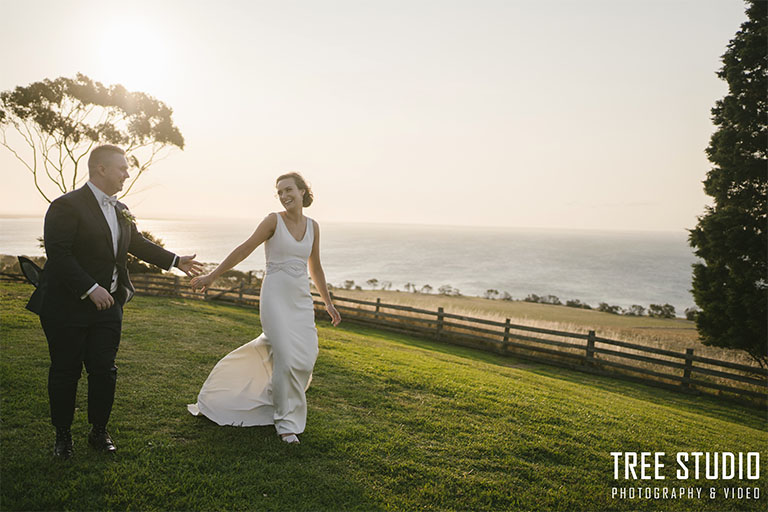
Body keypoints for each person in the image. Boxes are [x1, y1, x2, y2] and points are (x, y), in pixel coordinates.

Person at [26, 144, 203, 459]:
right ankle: (63, 437)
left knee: (104, 370)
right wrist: (90, 288)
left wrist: (176, 260)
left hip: (109, 308)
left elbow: (135, 242)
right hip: (66, 305)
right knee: (65, 371)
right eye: (122, 168)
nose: (127, 173)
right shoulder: (66, 205)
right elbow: (60, 254)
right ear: (101, 169)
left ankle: (98, 431)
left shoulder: (121, 208)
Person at [188, 172, 341, 444]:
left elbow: (315, 266)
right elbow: (244, 249)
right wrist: (212, 276)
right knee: (284, 355)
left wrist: (327, 302)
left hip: (300, 300)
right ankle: (285, 424)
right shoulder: (273, 221)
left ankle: (271, 398)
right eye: (279, 192)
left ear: (303, 191)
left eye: (288, 190)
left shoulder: (314, 226)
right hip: (274, 298)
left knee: (306, 356)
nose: (284, 196)